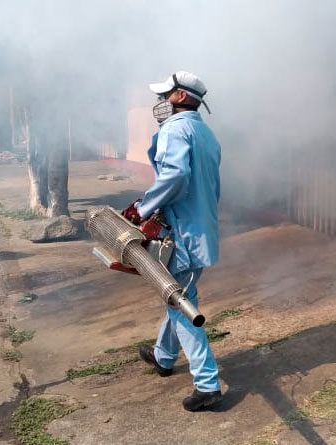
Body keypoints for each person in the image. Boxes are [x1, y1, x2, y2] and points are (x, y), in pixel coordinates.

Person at [124, 71, 222, 411]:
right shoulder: (206, 133)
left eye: (165, 95)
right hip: (201, 230)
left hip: (181, 234)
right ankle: (163, 356)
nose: (160, 102)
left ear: (180, 97)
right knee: (176, 296)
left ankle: (208, 383)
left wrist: (143, 208)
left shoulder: (175, 129)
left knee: (182, 305)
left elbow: (175, 175)